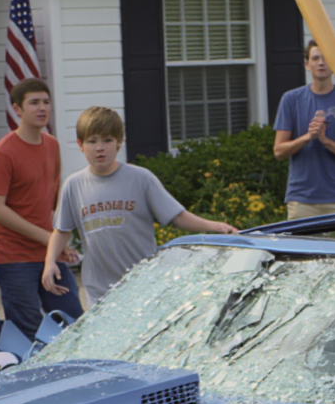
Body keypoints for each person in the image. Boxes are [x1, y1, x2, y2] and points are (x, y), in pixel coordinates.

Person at [41, 106, 237, 307]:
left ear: (119, 143)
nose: (100, 147)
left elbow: (176, 216)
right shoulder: (74, 185)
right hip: (98, 290)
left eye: (107, 140)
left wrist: (215, 227)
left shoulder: (141, 179)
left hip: (143, 284)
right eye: (92, 141)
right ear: (80, 145)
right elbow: (61, 230)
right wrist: (49, 263)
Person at [0, 77, 83, 339]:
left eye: (46, 102)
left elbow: (52, 199)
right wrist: (47, 237)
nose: (42, 108)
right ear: (17, 109)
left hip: (49, 252)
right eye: (34, 103)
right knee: (28, 330)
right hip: (13, 256)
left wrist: (61, 239)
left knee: (72, 322)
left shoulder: (51, 145)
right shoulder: (2, 153)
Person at [273, 41, 335, 221]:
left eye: (327, 58)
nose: (321, 63)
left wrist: (325, 141)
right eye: (315, 58)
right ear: (307, 64)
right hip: (301, 200)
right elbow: (278, 151)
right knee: (302, 250)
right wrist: (308, 137)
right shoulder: (291, 99)